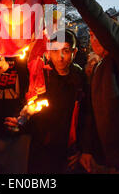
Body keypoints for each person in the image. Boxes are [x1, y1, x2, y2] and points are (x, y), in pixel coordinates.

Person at [46, 0, 119, 173]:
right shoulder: (98, 69)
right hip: (100, 160)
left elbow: (106, 28)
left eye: (99, 33)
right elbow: (90, 115)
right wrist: (87, 150)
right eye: (91, 35)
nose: (94, 38)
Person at [23, 30, 95, 173]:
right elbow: (30, 110)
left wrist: (83, 149)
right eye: (55, 51)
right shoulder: (42, 75)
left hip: (70, 151)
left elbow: (86, 116)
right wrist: (23, 119)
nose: (60, 57)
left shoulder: (80, 77)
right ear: (48, 52)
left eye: (66, 51)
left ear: (74, 52)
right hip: (42, 149)